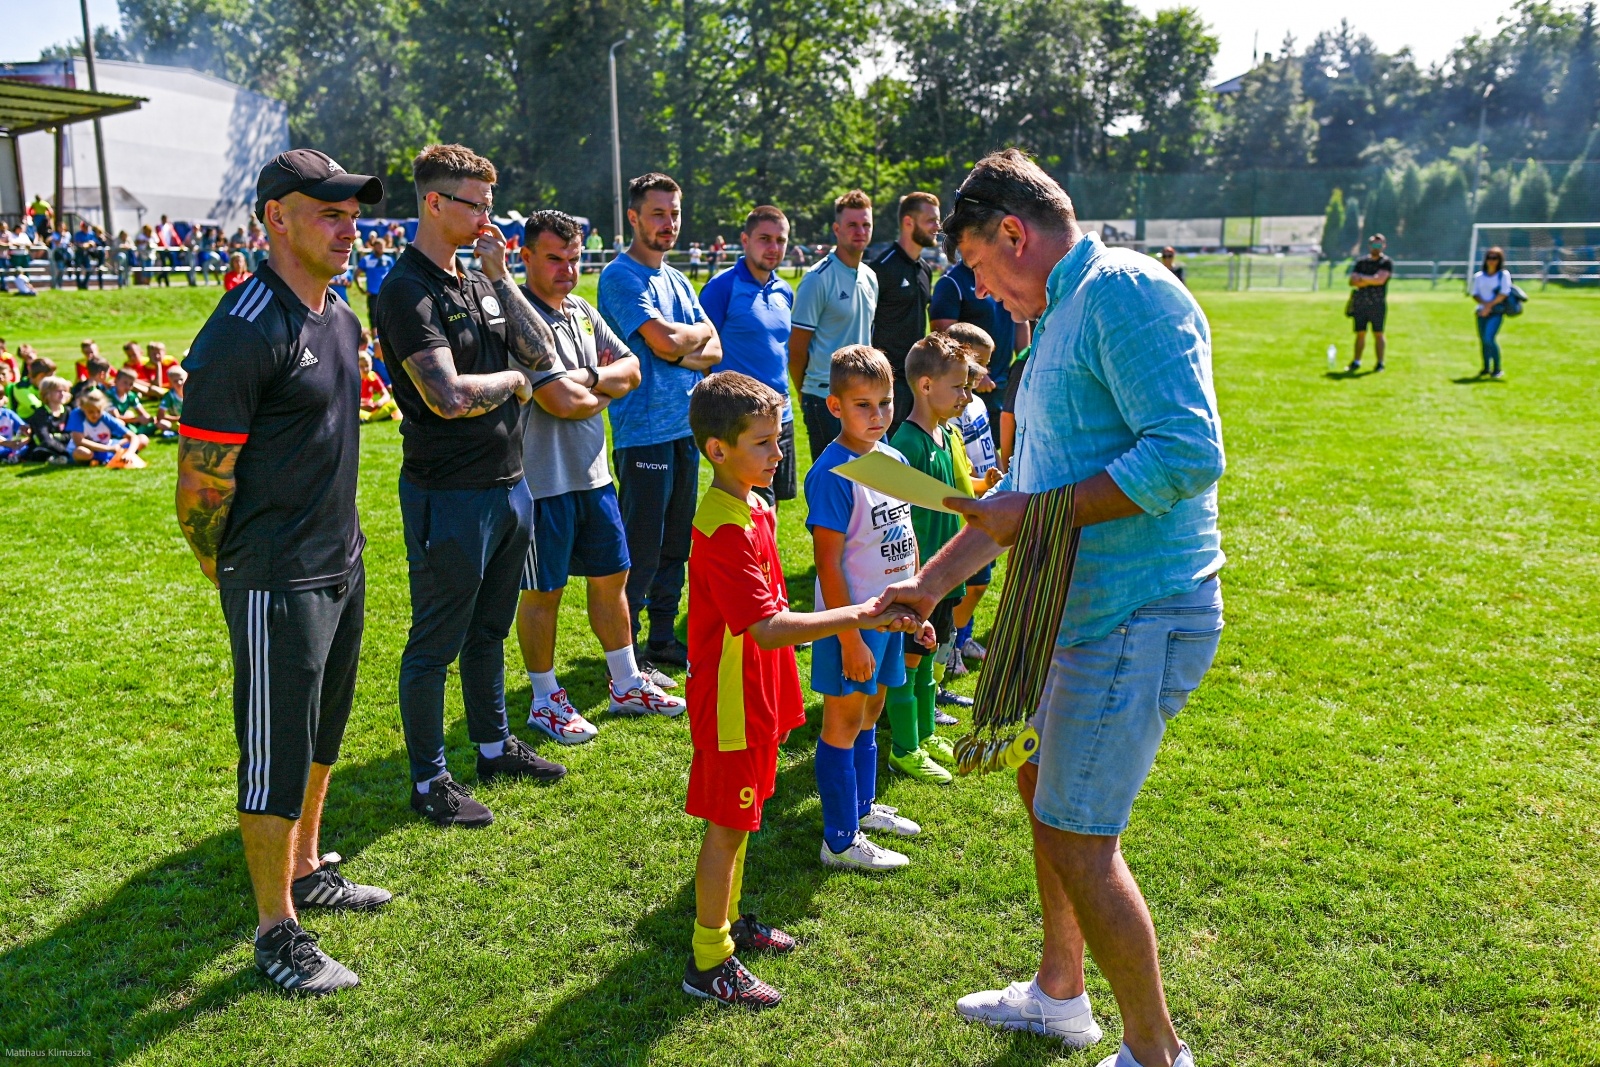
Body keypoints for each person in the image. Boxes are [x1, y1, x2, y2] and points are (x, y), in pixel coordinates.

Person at [875, 149, 1226, 1067]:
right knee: (1043, 791)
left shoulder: (1124, 294)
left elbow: (1188, 453)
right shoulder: (1063, 311)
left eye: (983, 268)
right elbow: (1019, 497)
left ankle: (1157, 1054)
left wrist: (1033, 510)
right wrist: (926, 585)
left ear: (1015, 235)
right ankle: (1060, 996)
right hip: (1072, 612)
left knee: (1078, 835)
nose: (985, 290)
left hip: (1137, 611)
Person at [175, 147, 391, 995]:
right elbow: (200, 481)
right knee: (272, 751)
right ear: (277, 219)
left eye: (352, 213)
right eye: (329, 212)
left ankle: (306, 868)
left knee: (320, 734)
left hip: (341, 561)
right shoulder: (241, 329)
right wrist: (226, 565)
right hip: (273, 575)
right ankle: (276, 929)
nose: (349, 228)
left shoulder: (338, 316)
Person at [679, 371, 919, 1008]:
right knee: (727, 825)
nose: (779, 453)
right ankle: (709, 961)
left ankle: (729, 922)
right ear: (718, 451)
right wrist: (858, 617)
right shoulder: (725, 526)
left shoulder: (755, 504)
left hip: (758, 691)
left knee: (747, 816)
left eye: (777, 438)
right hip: (733, 700)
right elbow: (765, 627)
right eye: (763, 443)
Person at [375, 143, 566, 828]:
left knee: (489, 629)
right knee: (436, 640)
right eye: (476, 204)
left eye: (490, 203)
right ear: (434, 202)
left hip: (509, 483)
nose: (489, 217)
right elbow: (448, 397)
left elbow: (545, 352)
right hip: (447, 492)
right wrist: (514, 384)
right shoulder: (405, 290)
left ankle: (492, 745)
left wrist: (505, 278)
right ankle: (429, 780)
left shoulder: (479, 278)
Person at [511, 209, 684, 742]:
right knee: (544, 593)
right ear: (526, 258)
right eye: (554, 259)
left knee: (613, 581)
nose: (567, 270)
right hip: (541, 483)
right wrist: (591, 388)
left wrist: (588, 379)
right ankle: (544, 698)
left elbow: (630, 367)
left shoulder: (582, 311)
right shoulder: (516, 315)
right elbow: (560, 403)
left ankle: (627, 682)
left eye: (574, 258)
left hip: (594, 475)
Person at [804, 345, 927, 871]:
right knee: (844, 717)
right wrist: (850, 637)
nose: (877, 416)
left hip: (892, 618)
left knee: (873, 709)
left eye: (884, 402)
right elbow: (828, 567)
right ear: (834, 407)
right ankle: (838, 840)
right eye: (862, 406)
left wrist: (919, 606)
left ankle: (863, 807)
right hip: (851, 623)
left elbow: (906, 536)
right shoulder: (832, 474)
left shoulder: (893, 460)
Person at [597, 172, 723, 668]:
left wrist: (674, 348)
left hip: (685, 430)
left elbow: (712, 346)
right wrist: (675, 345)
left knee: (676, 544)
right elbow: (666, 341)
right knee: (642, 548)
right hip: (643, 433)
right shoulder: (620, 276)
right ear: (633, 217)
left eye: (674, 213)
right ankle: (627, 657)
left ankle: (661, 639)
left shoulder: (675, 278)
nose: (668, 223)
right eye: (658, 213)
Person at [885, 333, 973, 784]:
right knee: (912, 657)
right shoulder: (908, 443)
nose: (965, 395)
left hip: (946, 571)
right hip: (920, 576)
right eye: (957, 386)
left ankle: (922, 730)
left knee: (931, 651)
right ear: (923, 385)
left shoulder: (946, 434)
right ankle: (904, 747)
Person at [698, 205, 796, 509]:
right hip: (744, 421)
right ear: (745, 240)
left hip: (783, 415)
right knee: (752, 502)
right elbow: (702, 355)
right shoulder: (721, 288)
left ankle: (768, 557)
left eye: (780, 240)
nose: (773, 248)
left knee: (775, 502)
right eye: (764, 239)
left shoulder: (785, 291)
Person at [790, 190, 878, 461]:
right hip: (825, 399)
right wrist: (809, 398)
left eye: (866, 225)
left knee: (868, 486)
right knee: (833, 484)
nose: (860, 231)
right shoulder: (817, 278)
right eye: (852, 225)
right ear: (837, 229)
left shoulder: (870, 277)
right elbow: (796, 350)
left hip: (863, 396)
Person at [941, 322, 1003, 680]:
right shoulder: (951, 407)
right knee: (968, 582)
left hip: (986, 497)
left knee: (981, 581)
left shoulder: (976, 402)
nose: (984, 371)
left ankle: (962, 639)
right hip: (968, 506)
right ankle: (949, 646)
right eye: (978, 362)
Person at [931, 246, 1031, 427]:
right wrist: (976, 373)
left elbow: (1019, 319)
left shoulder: (1003, 275)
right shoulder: (951, 283)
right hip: (970, 388)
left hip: (1003, 384)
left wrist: (1024, 363)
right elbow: (943, 340)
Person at [869, 192, 939, 432]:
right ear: (909, 222)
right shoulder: (882, 268)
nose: (937, 227)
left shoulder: (925, 269)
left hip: (916, 380)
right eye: (930, 220)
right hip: (888, 382)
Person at [1347, 234, 1393, 373]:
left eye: (1379, 245)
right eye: (1374, 245)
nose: (1376, 248)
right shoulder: (1361, 262)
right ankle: (1356, 361)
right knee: (1360, 333)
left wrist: (1362, 279)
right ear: (1369, 245)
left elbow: (1380, 280)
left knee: (1378, 333)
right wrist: (1370, 279)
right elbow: (1352, 281)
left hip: (1377, 304)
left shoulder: (1386, 263)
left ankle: (1380, 363)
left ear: (1384, 246)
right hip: (1361, 303)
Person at [68, 388, 147, 465]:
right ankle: (99, 459)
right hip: (92, 450)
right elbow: (79, 441)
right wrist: (109, 449)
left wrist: (130, 453)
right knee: (82, 452)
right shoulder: (77, 415)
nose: (95, 415)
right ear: (83, 408)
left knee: (143, 439)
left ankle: (114, 457)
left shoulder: (104, 416)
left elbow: (133, 437)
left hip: (107, 446)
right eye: (90, 412)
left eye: (98, 411)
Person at [1471, 246, 1512, 380]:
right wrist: (1483, 305)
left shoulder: (1503, 275)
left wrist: (1489, 306)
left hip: (1496, 312)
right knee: (1483, 341)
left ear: (1499, 260)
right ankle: (1486, 367)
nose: (1491, 260)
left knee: (1489, 338)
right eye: (1489, 257)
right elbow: (1475, 293)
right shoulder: (1479, 276)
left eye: (1495, 258)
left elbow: (1504, 293)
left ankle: (1497, 368)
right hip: (1481, 312)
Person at [23, 376, 73, 464]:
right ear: (47, 393)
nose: (62, 394)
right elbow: (44, 438)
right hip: (45, 447)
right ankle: (60, 457)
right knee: (41, 451)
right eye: (58, 391)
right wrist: (66, 451)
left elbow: (71, 434)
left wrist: (56, 437)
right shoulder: (40, 414)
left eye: (64, 391)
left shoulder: (68, 411)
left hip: (65, 446)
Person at [357, 237, 395, 327]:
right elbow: (357, 274)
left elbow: (394, 275)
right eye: (378, 246)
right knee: (374, 318)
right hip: (373, 293)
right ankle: (375, 339)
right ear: (374, 247)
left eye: (382, 246)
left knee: (388, 317)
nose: (381, 249)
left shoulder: (388, 260)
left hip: (386, 293)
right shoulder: (367, 260)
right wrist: (361, 288)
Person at [358, 352, 400, 422]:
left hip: (372, 408)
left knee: (394, 403)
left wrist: (379, 402)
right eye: (361, 366)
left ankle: (367, 419)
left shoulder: (373, 376)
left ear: (371, 364)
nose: (365, 369)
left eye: (367, 365)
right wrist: (361, 405)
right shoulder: (351, 379)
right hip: (359, 408)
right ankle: (373, 418)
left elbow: (386, 395)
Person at [154, 366, 186, 437]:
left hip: (189, 421)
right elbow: (160, 416)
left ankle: (179, 432)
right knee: (161, 423)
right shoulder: (169, 396)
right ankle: (177, 432)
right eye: (175, 381)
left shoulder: (191, 394)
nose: (179, 383)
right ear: (170, 383)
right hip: (176, 422)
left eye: (181, 379)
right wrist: (177, 418)